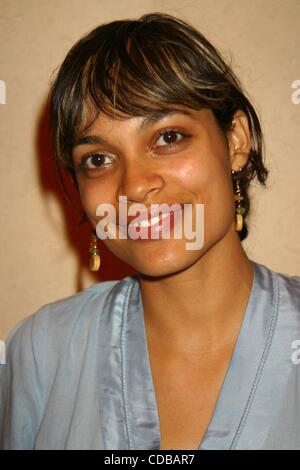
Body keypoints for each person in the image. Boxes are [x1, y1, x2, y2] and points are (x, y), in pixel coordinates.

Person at [0, 12, 300, 451]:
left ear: (234, 141)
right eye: (98, 159)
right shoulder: (40, 352)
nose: (135, 186)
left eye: (168, 136)